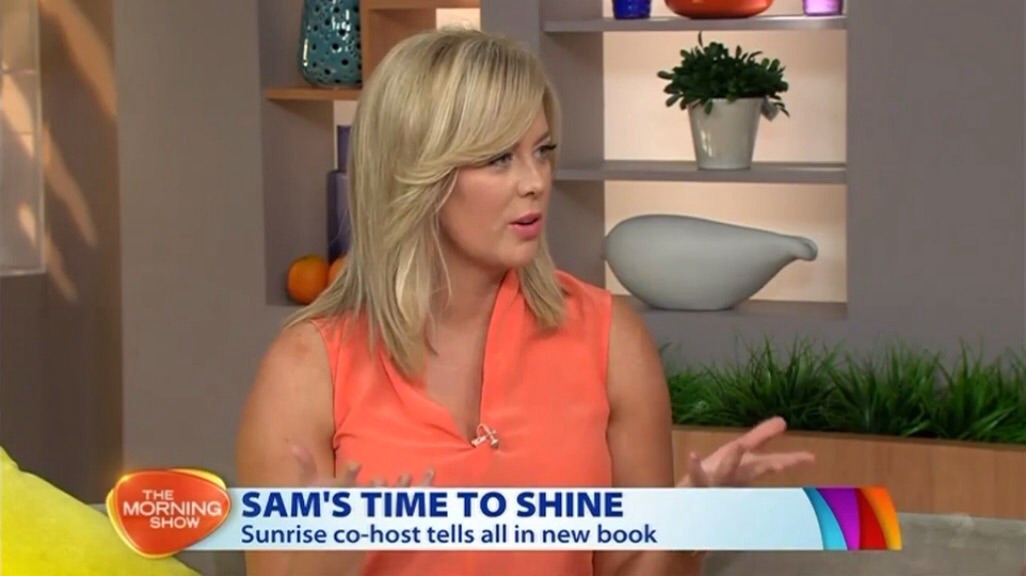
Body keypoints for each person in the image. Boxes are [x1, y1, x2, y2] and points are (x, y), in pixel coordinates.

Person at [236, 27, 814, 576]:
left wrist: (684, 532)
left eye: (542, 150)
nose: (535, 180)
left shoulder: (610, 340)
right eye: (498, 158)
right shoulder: (307, 367)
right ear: (415, 174)